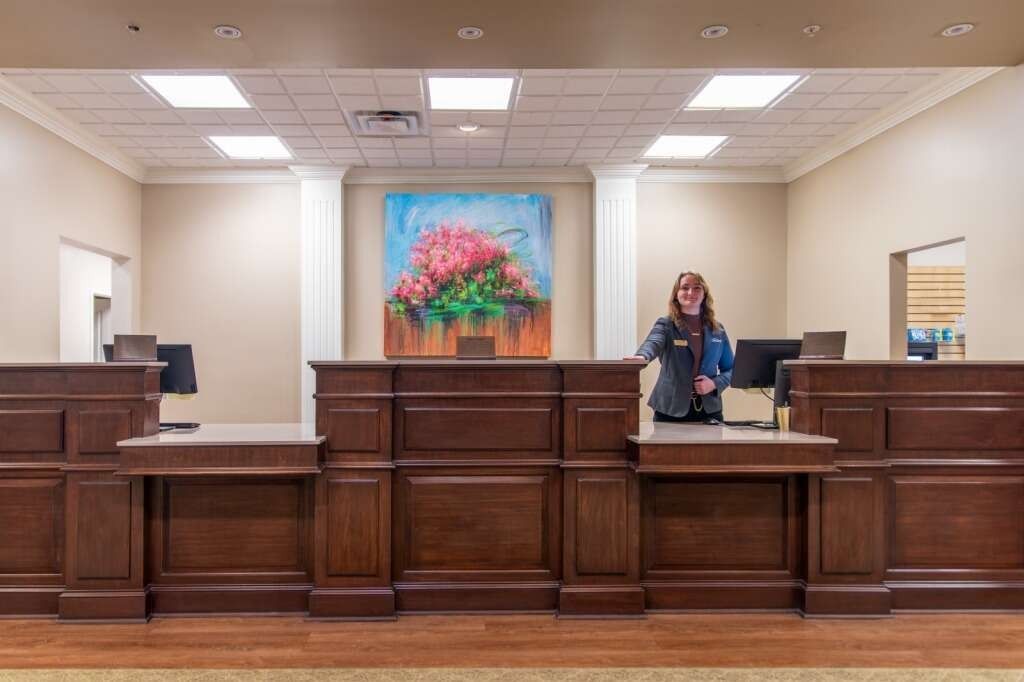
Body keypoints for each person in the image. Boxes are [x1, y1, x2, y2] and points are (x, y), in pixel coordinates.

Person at [628, 271, 734, 422]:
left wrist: (714, 383)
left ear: (704, 294)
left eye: (697, 288)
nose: (691, 292)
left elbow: (731, 368)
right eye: (685, 287)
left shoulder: (718, 330)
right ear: (676, 294)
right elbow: (653, 342)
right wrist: (642, 356)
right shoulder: (666, 325)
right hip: (670, 409)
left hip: (709, 411)